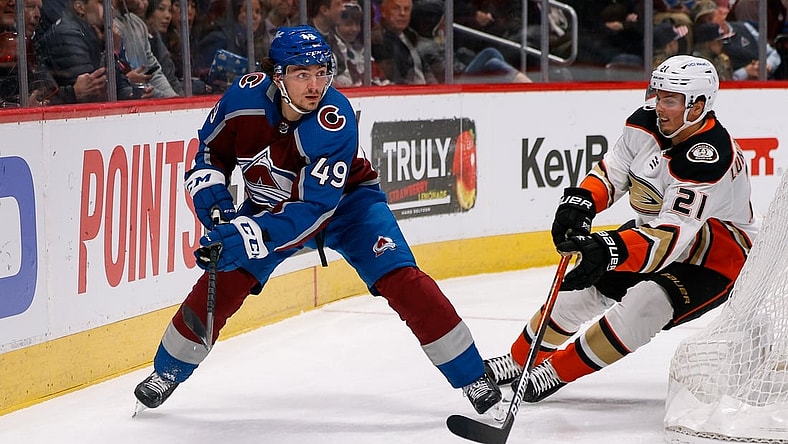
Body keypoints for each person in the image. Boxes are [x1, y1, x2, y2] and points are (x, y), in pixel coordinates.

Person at [133, 25, 502, 418]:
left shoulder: (334, 118)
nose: (315, 85)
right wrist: (217, 207)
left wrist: (249, 233)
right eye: (302, 74)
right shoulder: (242, 98)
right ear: (278, 76)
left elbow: (316, 208)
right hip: (272, 209)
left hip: (349, 209)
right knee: (221, 282)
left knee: (403, 280)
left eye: (322, 72)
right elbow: (209, 154)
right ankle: (167, 372)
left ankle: (472, 375)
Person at [483, 55, 759, 403]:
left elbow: (671, 238)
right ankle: (519, 360)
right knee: (581, 291)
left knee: (645, 305)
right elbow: (614, 172)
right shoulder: (644, 122)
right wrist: (581, 201)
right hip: (657, 235)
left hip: (714, 257)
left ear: (698, 106)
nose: (659, 106)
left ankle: (555, 371)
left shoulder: (709, 156)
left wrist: (611, 249)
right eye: (658, 95)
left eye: (670, 100)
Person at [691, 0, 782, 80]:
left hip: (766, 84)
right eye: (703, 23)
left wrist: (766, 66)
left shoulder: (745, 27)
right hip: (735, 91)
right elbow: (717, 78)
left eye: (710, 18)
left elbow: (773, 53)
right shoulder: (708, 44)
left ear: (720, 13)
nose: (709, 24)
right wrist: (745, 72)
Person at [371, 0, 437, 84]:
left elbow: (426, 70)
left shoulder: (412, 36)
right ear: (383, 11)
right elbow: (394, 79)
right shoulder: (380, 42)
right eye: (396, 8)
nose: (402, 13)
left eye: (406, 9)